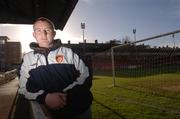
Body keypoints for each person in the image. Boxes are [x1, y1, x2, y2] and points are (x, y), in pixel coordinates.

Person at [18, 17, 93, 119]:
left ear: (53, 33)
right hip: (49, 114)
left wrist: (63, 97)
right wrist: (45, 98)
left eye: (47, 30)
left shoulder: (71, 52)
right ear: (34, 35)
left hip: (79, 112)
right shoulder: (27, 59)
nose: (43, 34)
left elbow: (86, 76)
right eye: (38, 30)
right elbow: (23, 88)